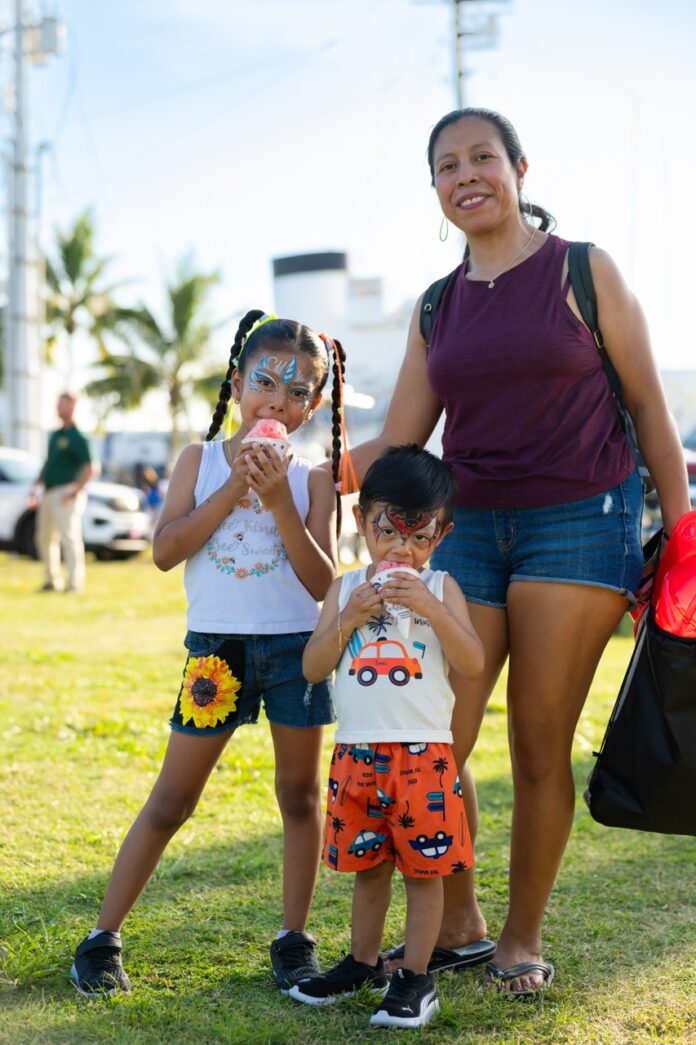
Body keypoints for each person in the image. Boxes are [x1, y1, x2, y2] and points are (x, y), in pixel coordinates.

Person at [345, 108, 691, 996]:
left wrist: (683, 528)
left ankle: (520, 935)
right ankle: (455, 918)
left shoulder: (583, 269)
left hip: (580, 523)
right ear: (435, 189)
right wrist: (300, 473)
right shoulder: (437, 303)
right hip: (468, 534)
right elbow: (402, 442)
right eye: (447, 165)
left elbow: (652, 408)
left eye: (483, 158)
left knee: (539, 742)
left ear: (520, 168)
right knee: (434, 740)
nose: (467, 175)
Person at [70, 311, 348, 996]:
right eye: (265, 383)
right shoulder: (200, 459)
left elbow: (325, 584)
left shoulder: (314, 480)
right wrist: (235, 488)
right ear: (236, 381)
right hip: (215, 653)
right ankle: (103, 936)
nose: (276, 402)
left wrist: (280, 498)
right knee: (172, 797)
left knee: (299, 794)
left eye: (296, 391)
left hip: (296, 650)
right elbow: (165, 551)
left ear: (312, 408)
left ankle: (293, 937)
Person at [289, 446, 484, 1029]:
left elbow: (472, 662)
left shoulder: (443, 588)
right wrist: (348, 616)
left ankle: (416, 977)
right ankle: (362, 962)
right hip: (357, 752)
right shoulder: (345, 587)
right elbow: (312, 666)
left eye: (420, 537)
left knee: (424, 871)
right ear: (361, 521)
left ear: (441, 535)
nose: (403, 548)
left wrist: (428, 606)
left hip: (423, 753)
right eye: (389, 530)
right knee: (368, 866)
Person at [31, 392, 95, 593]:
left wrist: (75, 490)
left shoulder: (79, 436)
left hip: (67, 491)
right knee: (44, 537)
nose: (58, 408)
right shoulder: (55, 435)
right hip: (49, 492)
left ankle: (75, 582)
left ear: (73, 406)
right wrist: (36, 487)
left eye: (63, 405)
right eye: (58, 405)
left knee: (70, 537)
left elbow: (90, 467)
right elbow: (48, 463)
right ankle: (52, 580)